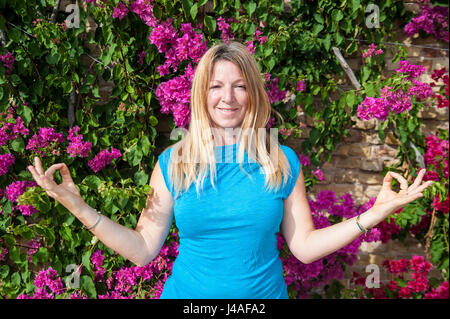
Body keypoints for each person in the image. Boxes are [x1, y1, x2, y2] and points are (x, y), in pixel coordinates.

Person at [27, 41, 433, 299]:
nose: (228, 97)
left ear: (253, 93)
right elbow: (142, 250)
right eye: (216, 86)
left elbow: (304, 248)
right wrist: (78, 207)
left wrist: (372, 215)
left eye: (239, 85)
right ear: (202, 94)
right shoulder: (174, 163)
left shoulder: (281, 160)